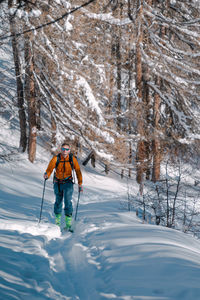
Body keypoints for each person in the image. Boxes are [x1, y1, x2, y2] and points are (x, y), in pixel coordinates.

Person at [44, 142, 83, 229]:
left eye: (66, 149)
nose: (64, 151)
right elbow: (50, 168)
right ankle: (57, 223)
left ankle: (68, 224)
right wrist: (47, 174)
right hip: (57, 183)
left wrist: (80, 183)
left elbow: (78, 171)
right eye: (63, 149)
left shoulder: (72, 159)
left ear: (69, 151)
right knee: (58, 202)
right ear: (60, 150)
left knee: (67, 201)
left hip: (68, 183)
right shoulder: (56, 158)